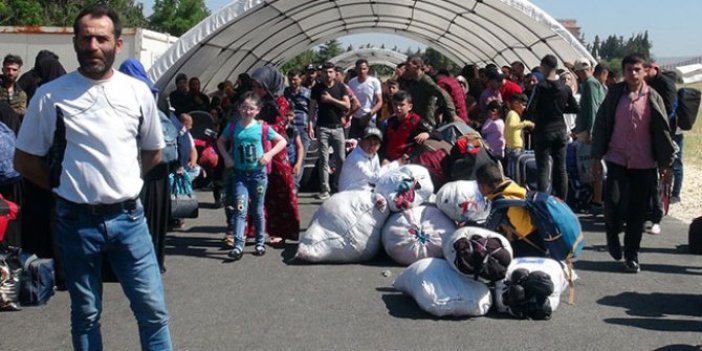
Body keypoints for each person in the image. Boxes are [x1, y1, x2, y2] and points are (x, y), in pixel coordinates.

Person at [13, 6, 172, 349]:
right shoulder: (50, 95)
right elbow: (25, 160)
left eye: (102, 38)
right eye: (86, 38)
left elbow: (153, 150)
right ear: (75, 43)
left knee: (152, 310)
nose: (93, 45)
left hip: (129, 219)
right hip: (75, 221)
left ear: (117, 44)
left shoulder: (137, 92)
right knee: (85, 313)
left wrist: (124, 179)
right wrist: (64, 186)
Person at [591, 53, 676, 273]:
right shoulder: (615, 95)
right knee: (614, 203)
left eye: (638, 69)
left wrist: (666, 164)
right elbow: (601, 124)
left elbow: (663, 132)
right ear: (624, 72)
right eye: (629, 69)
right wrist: (596, 157)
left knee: (638, 213)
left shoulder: (653, 97)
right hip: (618, 159)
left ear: (645, 71)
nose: (634, 73)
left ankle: (631, 255)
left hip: (644, 162)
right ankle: (612, 232)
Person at [216, 91, 287, 260]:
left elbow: (282, 141)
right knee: (240, 209)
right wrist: (227, 157)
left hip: (258, 174)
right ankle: (238, 245)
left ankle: (260, 242)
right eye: (244, 107)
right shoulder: (233, 127)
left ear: (258, 110)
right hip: (240, 174)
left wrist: (269, 155)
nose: (247, 111)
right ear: (239, 108)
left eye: (251, 108)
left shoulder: (262, 128)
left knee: (257, 208)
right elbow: (220, 141)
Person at [118, 58, 172, 274]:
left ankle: (133, 262)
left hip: (140, 162)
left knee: (137, 215)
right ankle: (156, 260)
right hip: (161, 163)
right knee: (155, 215)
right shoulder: (157, 95)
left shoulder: (128, 95)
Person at [250, 65, 300, 244]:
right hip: (257, 151)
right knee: (257, 190)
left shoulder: (281, 102)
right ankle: (255, 230)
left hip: (276, 152)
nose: (256, 90)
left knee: (280, 189)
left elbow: (279, 126)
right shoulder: (255, 102)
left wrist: (261, 126)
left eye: (260, 86)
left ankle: (281, 231)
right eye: (254, 86)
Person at [527, 54, 579, 200]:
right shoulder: (565, 89)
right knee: (560, 167)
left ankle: (543, 201)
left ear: (544, 67)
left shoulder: (539, 87)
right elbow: (575, 108)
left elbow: (530, 107)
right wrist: (560, 109)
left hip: (543, 131)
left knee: (543, 168)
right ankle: (562, 200)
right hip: (560, 130)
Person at [476, 163, 544, 257]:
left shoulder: (501, 202)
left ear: (484, 186)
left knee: (493, 253)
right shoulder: (511, 187)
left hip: (531, 244)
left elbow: (487, 230)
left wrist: (470, 226)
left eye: (479, 185)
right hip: (540, 233)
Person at [644, 62, 678, 234]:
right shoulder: (645, 85)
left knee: (664, 173)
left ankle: (659, 213)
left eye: (645, 69)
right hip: (647, 135)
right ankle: (647, 213)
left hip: (665, 135)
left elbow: (670, 109)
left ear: (654, 69)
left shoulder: (666, 84)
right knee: (648, 177)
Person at [309, 62, 350, 200]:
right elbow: (312, 107)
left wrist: (331, 99)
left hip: (338, 127)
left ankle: (338, 186)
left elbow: (347, 105)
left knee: (341, 159)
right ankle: (325, 189)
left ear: (334, 73)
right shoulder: (317, 88)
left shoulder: (341, 87)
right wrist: (310, 124)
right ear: (322, 74)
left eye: (331, 72)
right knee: (324, 159)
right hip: (322, 127)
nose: (328, 74)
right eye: (326, 72)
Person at [572, 58, 606, 214]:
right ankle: (596, 197)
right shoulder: (593, 83)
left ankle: (597, 199)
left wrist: (592, 130)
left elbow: (593, 107)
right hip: (589, 129)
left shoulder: (590, 84)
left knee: (592, 165)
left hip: (589, 131)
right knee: (591, 165)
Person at [379, 90, 437, 163]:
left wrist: (428, 134)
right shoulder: (390, 121)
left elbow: (438, 134)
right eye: (395, 104)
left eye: (402, 105)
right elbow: (384, 143)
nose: (398, 108)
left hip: (406, 161)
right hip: (389, 161)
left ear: (410, 107)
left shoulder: (416, 121)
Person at [403, 55, 458, 126]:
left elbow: (443, 94)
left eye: (408, 65)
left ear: (417, 66)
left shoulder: (425, 80)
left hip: (427, 124)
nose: (406, 68)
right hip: (416, 121)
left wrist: (453, 114)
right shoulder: (413, 81)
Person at [284, 68, 311, 185]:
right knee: (288, 155)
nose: (292, 82)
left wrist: (311, 125)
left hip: (303, 126)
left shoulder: (307, 93)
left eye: (295, 80)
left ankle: (295, 184)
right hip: (289, 126)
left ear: (301, 79)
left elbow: (313, 110)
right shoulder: (285, 93)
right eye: (290, 80)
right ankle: (288, 182)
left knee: (301, 156)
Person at [338, 127, 384, 192]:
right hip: (348, 195)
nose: (372, 146)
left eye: (375, 143)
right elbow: (373, 179)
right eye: (369, 141)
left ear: (379, 146)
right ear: (361, 141)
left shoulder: (375, 155)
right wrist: (391, 165)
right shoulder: (356, 157)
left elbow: (379, 176)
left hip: (363, 189)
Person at [347, 59, 383, 139]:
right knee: (353, 143)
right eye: (359, 69)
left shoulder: (374, 82)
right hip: (355, 118)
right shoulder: (351, 82)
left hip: (369, 118)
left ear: (368, 69)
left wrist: (369, 114)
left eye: (364, 69)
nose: (362, 71)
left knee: (369, 143)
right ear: (356, 69)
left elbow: (379, 102)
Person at [504, 94, 534, 179]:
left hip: (515, 147)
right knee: (514, 171)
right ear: (516, 103)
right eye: (523, 105)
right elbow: (512, 126)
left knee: (514, 168)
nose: (524, 107)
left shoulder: (514, 114)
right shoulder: (512, 114)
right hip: (514, 148)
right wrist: (527, 123)